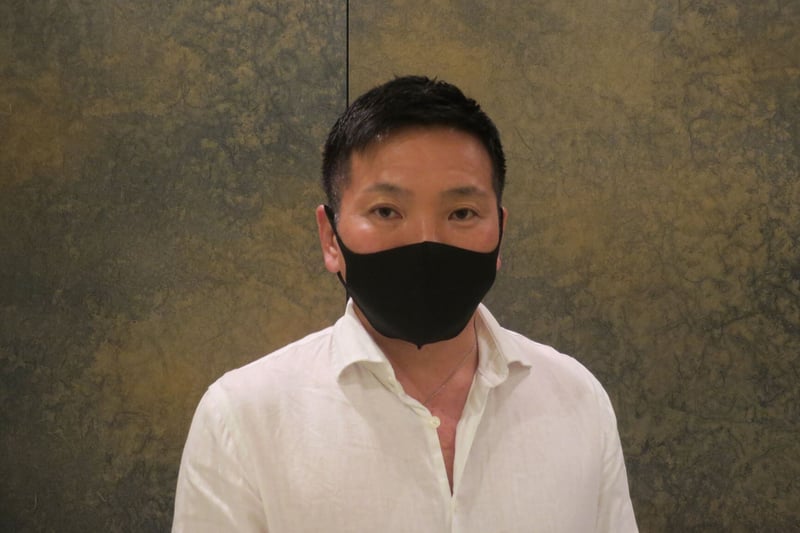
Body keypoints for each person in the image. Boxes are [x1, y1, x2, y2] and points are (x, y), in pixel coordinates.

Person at [172, 75, 638, 532]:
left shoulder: (578, 399)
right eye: (386, 212)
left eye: (461, 213)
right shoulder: (242, 419)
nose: (426, 241)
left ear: (500, 232)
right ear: (330, 237)